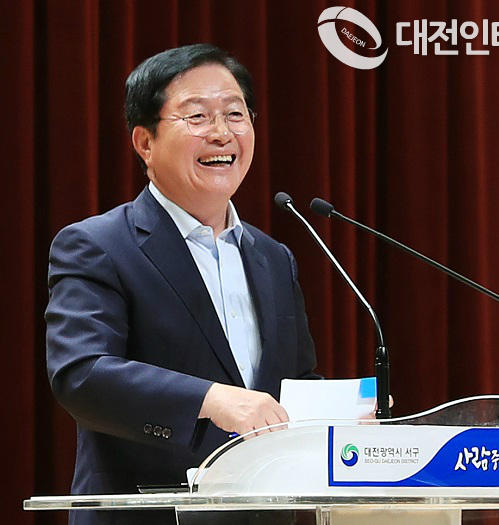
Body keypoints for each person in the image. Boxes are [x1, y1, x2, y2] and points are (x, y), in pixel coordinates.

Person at [46, 43, 319, 525]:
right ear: (144, 142)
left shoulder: (273, 258)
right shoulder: (98, 245)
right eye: (197, 116)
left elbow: (293, 386)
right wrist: (211, 399)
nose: (222, 133)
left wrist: (348, 418)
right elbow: (81, 374)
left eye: (235, 114)